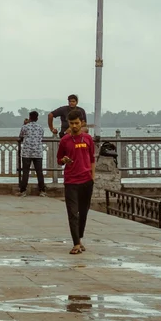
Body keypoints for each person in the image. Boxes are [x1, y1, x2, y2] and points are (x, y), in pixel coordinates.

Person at [57, 109, 94, 254]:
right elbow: (59, 159)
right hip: (71, 181)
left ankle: (80, 238)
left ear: (82, 123)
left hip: (86, 180)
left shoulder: (88, 139)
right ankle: (76, 243)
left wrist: (92, 176)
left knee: (83, 212)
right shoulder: (65, 140)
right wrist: (63, 160)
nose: (74, 126)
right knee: (73, 212)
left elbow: (92, 159)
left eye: (76, 123)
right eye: (71, 123)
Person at [17, 111, 46, 197]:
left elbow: (21, 136)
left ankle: (23, 191)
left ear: (29, 118)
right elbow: (41, 137)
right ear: (37, 118)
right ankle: (42, 191)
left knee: (25, 172)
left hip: (26, 152)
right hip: (38, 152)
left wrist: (24, 124)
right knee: (39, 172)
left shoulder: (25, 127)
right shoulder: (41, 128)